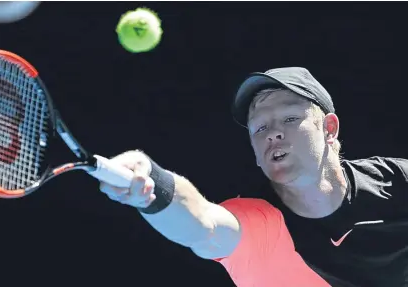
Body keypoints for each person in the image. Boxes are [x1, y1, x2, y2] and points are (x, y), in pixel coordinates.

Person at [99, 67, 408, 287]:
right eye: (259, 128)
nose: (273, 132)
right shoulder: (257, 221)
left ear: (329, 128)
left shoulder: (397, 180)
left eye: (289, 118)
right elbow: (203, 223)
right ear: (256, 152)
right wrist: (153, 181)